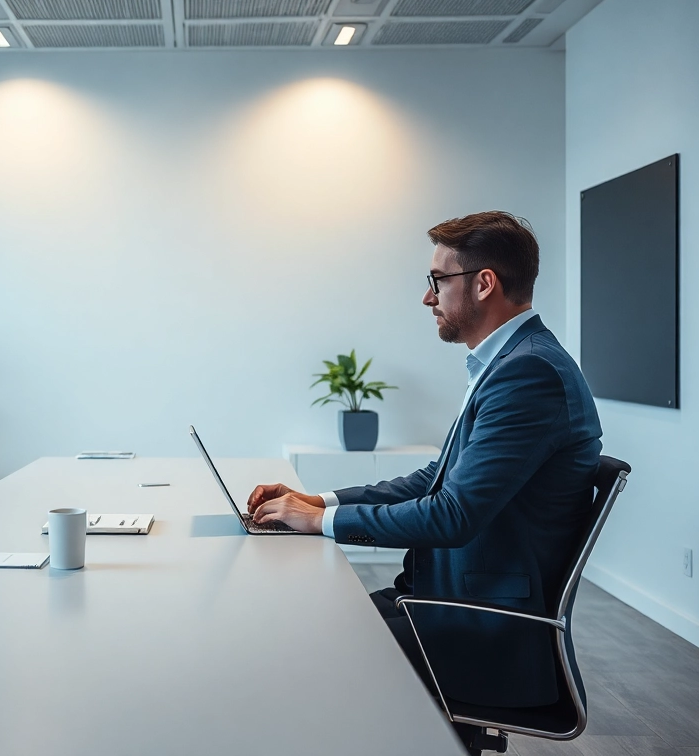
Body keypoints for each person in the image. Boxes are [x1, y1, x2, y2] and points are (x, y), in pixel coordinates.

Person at [247, 211, 602, 718]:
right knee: (304, 623)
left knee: (293, 649)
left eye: (437, 280)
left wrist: (321, 524)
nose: (427, 297)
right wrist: (319, 502)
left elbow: (453, 514)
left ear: (484, 284)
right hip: (441, 603)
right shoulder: (510, 362)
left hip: (480, 632)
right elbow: (434, 481)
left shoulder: (528, 373)